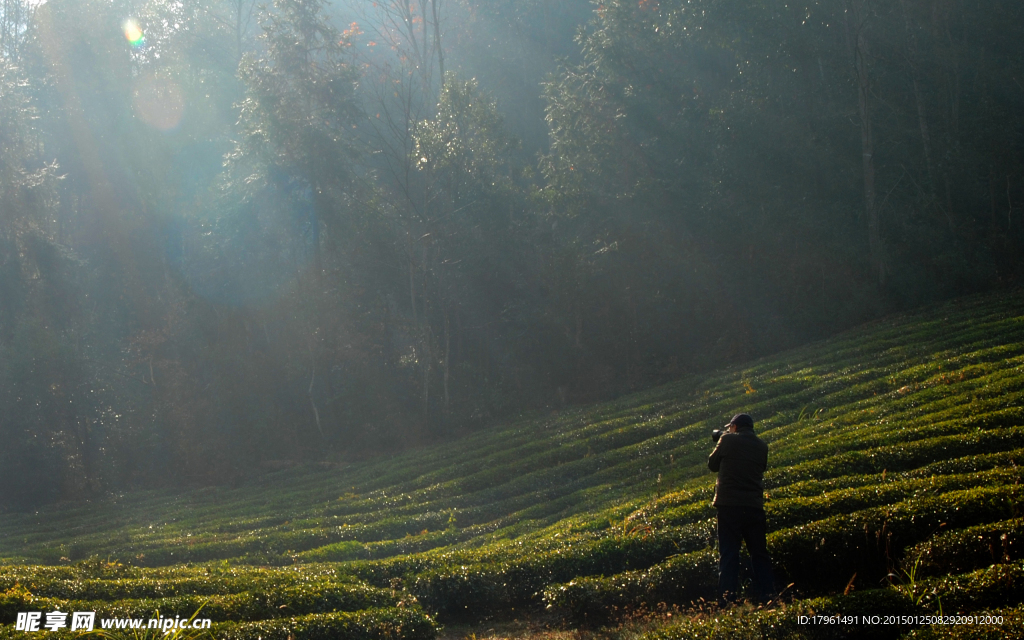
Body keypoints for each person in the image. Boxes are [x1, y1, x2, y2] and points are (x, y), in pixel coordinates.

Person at [708, 412, 774, 604]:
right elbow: (760, 468)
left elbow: (712, 465)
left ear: (735, 427)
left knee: (729, 553)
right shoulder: (762, 446)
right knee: (759, 553)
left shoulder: (727, 440)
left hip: (729, 507)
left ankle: (726, 599)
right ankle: (768, 595)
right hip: (753, 506)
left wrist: (723, 438)